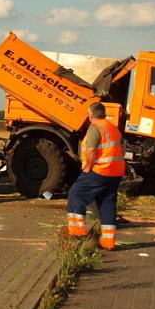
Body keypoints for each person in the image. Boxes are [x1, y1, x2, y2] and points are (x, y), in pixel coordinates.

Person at [67, 102, 126, 250]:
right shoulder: (113, 127)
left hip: (100, 171)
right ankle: (108, 242)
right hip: (115, 172)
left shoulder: (96, 128)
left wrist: (88, 167)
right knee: (107, 203)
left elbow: (91, 150)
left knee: (76, 194)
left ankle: (77, 233)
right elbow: (123, 149)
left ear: (91, 114)